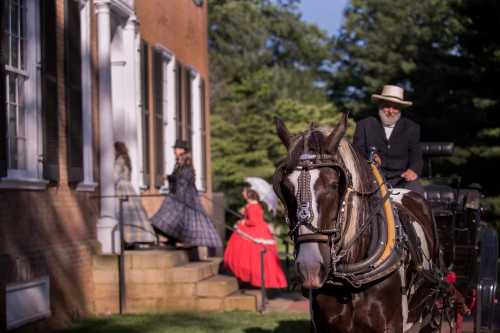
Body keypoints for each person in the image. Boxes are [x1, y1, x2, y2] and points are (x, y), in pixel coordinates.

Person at [151, 140, 222, 254]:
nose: (175, 150)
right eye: (175, 148)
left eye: (177, 148)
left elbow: (184, 179)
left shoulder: (186, 163)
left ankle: (178, 241)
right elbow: (178, 178)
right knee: (169, 219)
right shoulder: (179, 162)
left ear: (183, 150)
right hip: (178, 195)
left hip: (185, 197)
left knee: (185, 221)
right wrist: (170, 178)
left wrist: (172, 180)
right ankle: (172, 239)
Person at [353, 85, 424, 194]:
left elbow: (416, 156)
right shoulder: (364, 125)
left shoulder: (412, 128)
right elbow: (357, 153)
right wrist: (369, 159)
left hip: (402, 179)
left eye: (395, 107)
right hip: (372, 178)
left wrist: (413, 170)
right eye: (387, 106)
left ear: (400, 109)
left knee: (416, 191)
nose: (391, 111)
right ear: (380, 106)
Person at [224, 187, 288, 289]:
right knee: (257, 255)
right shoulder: (255, 205)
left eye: (244, 192)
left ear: (248, 196)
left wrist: (244, 222)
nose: (243, 193)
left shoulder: (251, 206)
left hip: (255, 231)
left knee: (248, 254)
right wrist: (244, 212)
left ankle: (249, 273)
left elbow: (254, 221)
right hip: (262, 230)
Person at [114, 141, 158, 247]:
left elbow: (114, 176)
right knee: (135, 214)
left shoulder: (120, 160)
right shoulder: (127, 159)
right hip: (129, 187)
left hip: (121, 187)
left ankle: (128, 239)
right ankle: (141, 238)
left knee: (125, 213)